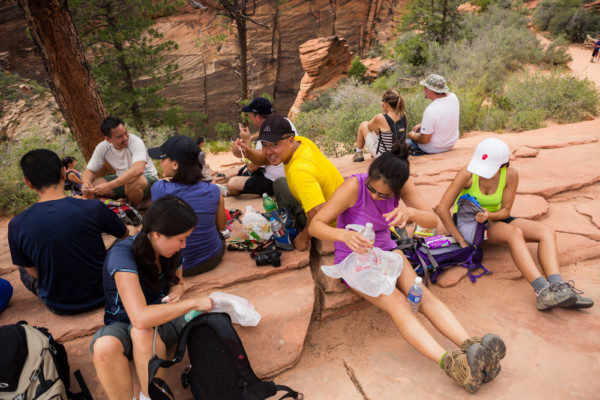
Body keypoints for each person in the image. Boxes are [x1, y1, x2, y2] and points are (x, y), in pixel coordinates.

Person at [309, 144, 505, 393]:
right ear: (368, 176)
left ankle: (473, 347)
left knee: (422, 295)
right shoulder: (354, 186)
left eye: (384, 195)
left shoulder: (403, 187)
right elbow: (316, 225)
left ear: (398, 189)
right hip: (355, 259)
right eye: (373, 189)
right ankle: (453, 364)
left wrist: (412, 213)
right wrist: (342, 235)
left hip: (387, 252)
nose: (377, 196)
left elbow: (432, 220)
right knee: (399, 304)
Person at [437, 138, 593, 310]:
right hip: (470, 224)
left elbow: (505, 211)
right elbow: (442, 209)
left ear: (504, 164)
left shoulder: (510, 175)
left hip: (493, 217)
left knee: (546, 231)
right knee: (514, 233)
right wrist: (460, 240)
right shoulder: (466, 174)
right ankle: (542, 292)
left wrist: (490, 215)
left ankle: (557, 288)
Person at [90, 195, 213, 400]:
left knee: (143, 333)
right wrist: (192, 303)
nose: (184, 245)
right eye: (181, 239)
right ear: (157, 234)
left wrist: (175, 294)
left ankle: (152, 397)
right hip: (123, 322)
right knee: (104, 347)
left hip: (160, 321)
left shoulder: (171, 251)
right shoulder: (123, 256)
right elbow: (139, 317)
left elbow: (177, 283)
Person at [8, 149, 129, 315]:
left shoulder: (17, 224)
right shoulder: (92, 207)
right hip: (103, 293)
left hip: (58, 304)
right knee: (126, 241)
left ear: (28, 182)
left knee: (23, 266)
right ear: (64, 173)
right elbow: (124, 234)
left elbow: (33, 273)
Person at [258, 114, 344, 251]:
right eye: (264, 145)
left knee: (280, 185)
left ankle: (294, 228)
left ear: (290, 141)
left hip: (329, 224)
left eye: (275, 144)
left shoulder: (299, 170)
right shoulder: (302, 142)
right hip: (340, 208)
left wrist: (303, 240)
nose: (268, 152)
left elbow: (317, 210)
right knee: (280, 183)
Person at [149, 135, 226, 276]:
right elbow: (221, 226)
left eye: (163, 159)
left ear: (175, 164)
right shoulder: (214, 191)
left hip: (174, 266)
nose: (160, 164)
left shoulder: (159, 188)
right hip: (210, 259)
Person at [82, 116, 158, 207]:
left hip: (147, 180)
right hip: (122, 181)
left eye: (125, 132)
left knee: (133, 182)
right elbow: (90, 170)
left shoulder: (136, 142)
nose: (125, 138)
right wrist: (86, 183)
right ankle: (103, 209)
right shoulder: (102, 147)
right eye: (119, 137)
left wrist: (109, 186)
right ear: (108, 139)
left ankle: (133, 211)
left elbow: (139, 170)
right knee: (93, 186)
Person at [227, 97, 294, 197]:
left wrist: (247, 141)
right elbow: (263, 134)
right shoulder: (284, 122)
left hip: (272, 181)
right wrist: (251, 137)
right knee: (244, 174)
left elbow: (252, 167)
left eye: (251, 116)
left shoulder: (266, 139)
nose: (251, 119)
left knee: (232, 184)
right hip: (288, 175)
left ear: (257, 117)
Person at [407, 74, 459, 155]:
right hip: (450, 144)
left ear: (430, 90)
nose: (424, 89)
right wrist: (423, 125)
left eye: (425, 87)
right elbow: (445, 118)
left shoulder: (430, 110)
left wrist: (412, 135)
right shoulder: (453, 98)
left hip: (432, 148)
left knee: (402, 144)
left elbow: (424, 140)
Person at [353, 89, 407, 162]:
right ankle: (375, 149)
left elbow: (369, 127)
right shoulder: (403, 114)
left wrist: (383, 114)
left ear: (387, 103)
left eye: (383, 100)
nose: (381, 103)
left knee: (363, 124)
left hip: (385, 156)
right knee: (383, 130)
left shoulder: (381, 118)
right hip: (400, 154)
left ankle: (358, 153)